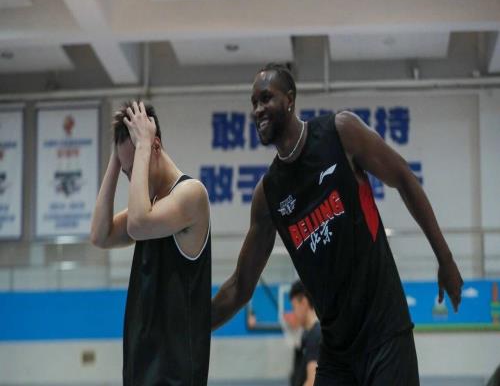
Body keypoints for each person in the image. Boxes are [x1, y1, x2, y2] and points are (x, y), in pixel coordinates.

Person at [211, 64, 464, 385]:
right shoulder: (268, 194)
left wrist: (445, 259)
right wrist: (189, 329)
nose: (258, 109)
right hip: (337, 350)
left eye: (266, 98)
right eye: (253, 102)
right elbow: (240, 286)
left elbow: (403, 177)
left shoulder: (340, 133)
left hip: (385, 332)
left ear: (289, 99)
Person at [90, 100, 211, 386]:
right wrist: (116, 159)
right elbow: (100, 235)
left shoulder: (191, 195)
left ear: (155, 146)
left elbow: (138, 224)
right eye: (127, 173)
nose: (132, 179)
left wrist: (143, 145)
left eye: (134, 169)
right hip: (139, 372)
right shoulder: (150, 208)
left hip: (175, 377)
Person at [289, 280, 321, 386]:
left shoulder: (315, 335)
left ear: (304, 302)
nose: (294, 313)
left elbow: (312, 381)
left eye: (294, 307)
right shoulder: (308, 335)